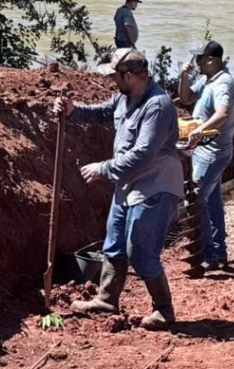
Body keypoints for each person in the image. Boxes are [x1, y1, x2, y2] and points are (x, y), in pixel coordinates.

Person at [52, 48, 183, 330]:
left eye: (115, 76)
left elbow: (143, 154)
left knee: (141, 251)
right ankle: (107, 299)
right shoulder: (124, 97)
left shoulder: (157, 106)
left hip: (155, 186)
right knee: (114, 243)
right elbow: (103, 112)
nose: (113, 81)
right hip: (128, 184)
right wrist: (73, 111)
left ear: (129, 76)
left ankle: (164, 310)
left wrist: (104, 168)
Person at [178, 40, 234, 270]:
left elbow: (223, 113)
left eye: (200, 59)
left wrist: (199, 130)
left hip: (213, 152)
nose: (197, 62)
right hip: (204, 149)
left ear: (211, 60)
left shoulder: (223, 83)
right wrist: (184, 75)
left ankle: (208, 255)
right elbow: (186, 98)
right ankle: (218, 252)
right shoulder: (208, 80)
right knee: (212, 202)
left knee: (196, 200)